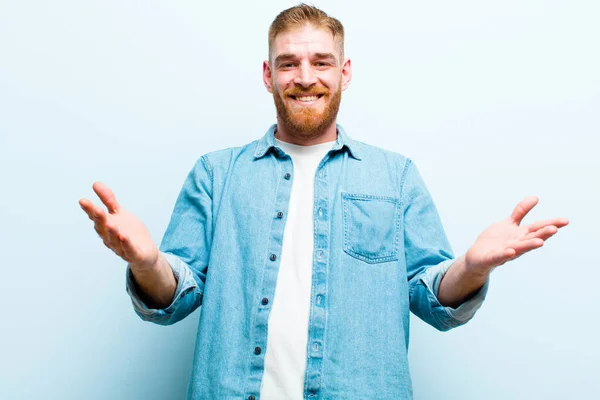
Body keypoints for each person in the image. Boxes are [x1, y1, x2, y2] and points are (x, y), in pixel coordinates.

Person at [79, 4, 568, 399]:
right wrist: (146, 263)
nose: (305, 76)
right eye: (289, 63)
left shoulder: (394, 176)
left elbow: (430, 296)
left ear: (345, 72)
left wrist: (473, 268)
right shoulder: (216, 173)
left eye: (321, 62)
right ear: (268, 75)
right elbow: (175, 295)